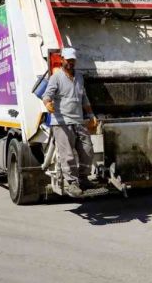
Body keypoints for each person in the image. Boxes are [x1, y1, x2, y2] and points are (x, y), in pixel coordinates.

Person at [42, 48, 97, 197]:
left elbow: (83, 97)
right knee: (67, 154)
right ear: (62, 60)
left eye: (73, 60)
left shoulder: (79, 77)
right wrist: (47, 103)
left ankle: (83, 178)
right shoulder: (56, 77)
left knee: (88, 150)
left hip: (78, 120)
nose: (71, 62)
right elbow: (47, 95)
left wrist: (91, 114)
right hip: (62, 122)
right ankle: (71, 183)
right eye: (68, 60)